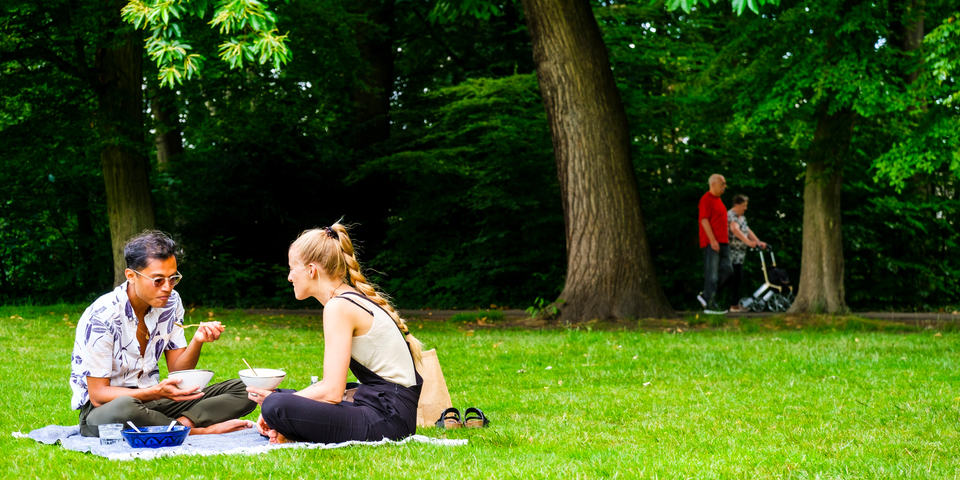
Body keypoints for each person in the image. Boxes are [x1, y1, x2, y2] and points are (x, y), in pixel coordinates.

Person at [248, 223, 423, 444]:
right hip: (387, 411)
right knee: (282, 397)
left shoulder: (338, 307)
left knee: (276, 404)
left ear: (311, 270)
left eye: (292, 268)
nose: (289, 277)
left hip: (388, 420)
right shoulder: (347, 299)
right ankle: (285, 429)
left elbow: (331, 392)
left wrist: (275, 406)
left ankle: (285, 428)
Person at [70, 230, 257, 437]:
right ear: (131, 276)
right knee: (126, 407)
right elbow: (98, 395)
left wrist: (197, 341)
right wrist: (155, 392)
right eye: (158, 280)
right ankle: (197, 431)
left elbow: (178, 369)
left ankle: (181, 425)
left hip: (157, 401)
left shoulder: (171, 303)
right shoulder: (102, 316)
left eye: (173, 278)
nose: (167, 288)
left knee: (249, 388)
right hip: (106, 410)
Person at [697, 174, 733, 314]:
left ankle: (706, 295)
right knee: (712, 275)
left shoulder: (719, 201)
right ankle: (710, 305)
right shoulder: (706, 199)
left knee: (728, 270)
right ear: (713, 184)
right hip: (712, 243)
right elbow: (704, 220)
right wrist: (712, 240)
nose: (724, 186)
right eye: (722, 184)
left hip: (724, 243)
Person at [727, 195, 768, 313]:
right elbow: (735, 230)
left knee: (738, 278)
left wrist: (758, 242)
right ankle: (707, 296)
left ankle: (734, 305)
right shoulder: (731, 215)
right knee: (730, 277)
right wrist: (749, 243)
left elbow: (748, 230)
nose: (745, 208)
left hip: (740, 254)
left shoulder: (742, 217)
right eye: (744, 205)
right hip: (731, 252)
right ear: (736, 205)